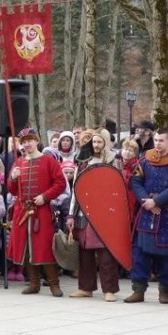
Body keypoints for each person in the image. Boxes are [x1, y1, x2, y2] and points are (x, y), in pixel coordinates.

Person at [125, 128, 168, 305]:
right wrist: (145, 200)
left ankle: (165, 291)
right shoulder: (145, 159)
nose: (158, 143)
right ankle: (138, 290)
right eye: (155, 140)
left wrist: (157, 202)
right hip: (146, 211)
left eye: (161, 140)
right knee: (140, 253)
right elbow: (136, 181)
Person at [6, 128, 67, 297]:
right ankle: (34, 283)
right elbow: (12, 191)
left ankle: (54, 284)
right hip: (22, 211)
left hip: (42, 211)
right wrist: (12, 177)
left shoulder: (48, 161)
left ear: (37, 141)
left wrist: (45, 197)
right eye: (23, 141)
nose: (27, 144)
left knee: (45, 247)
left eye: (30, 140)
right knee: (25, 248)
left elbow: (60, 183)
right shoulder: (18, 163)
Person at [66, 128, 120, 302]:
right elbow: (76, 189)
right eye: (94, 142)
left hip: (103, 213)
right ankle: (85, 287)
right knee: (85, 252)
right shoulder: (82, 162)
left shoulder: (112, 162)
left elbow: (117, 188)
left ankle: (109, 289)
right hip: (83, 211)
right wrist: (71, 215)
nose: (96, 145)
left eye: (99, 142)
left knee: (105, 254)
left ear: (105, 142)